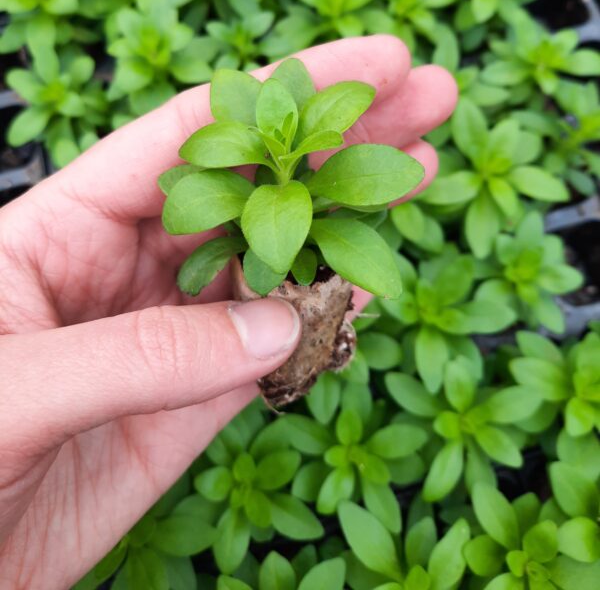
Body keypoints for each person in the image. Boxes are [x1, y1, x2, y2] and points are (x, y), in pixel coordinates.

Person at [0, 36, 457, 589]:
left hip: (296, 250)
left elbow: (367, 191)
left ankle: (300, 353)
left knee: (300, 242)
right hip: (265, 240)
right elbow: (200, 211)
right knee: (263, 244)